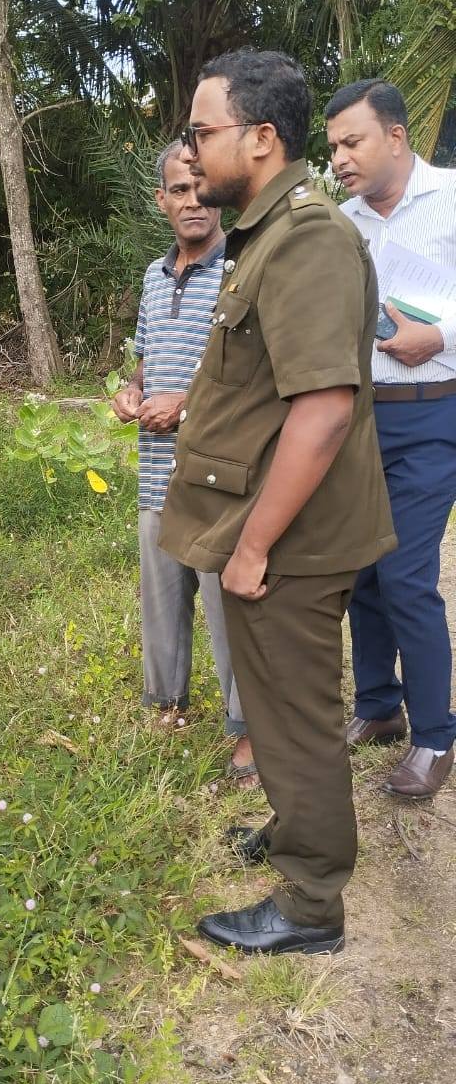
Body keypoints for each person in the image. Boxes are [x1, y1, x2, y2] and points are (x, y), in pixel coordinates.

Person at [159, 49, 396, 956]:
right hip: (268, 524)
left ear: (261, 138)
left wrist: (254, 545)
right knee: (271, 696)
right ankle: (296, 827)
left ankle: (310, 903)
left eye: (201, 131)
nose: (189, 151)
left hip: (291, 538)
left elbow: (324, 408)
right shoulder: (266, 233)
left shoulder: (306, 238)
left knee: (296, 716)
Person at [112, 141, 257, 786]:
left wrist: (187, 407)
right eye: (178, 190)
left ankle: (247, 726)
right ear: (161, 200)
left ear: (217, 193)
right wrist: (133, 392)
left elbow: (250, 374)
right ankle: (165, 704)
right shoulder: (153, 275)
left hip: (218, 472)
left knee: (227, 605)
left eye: (201, 188)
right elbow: (146, 360)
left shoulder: (241, 268)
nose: (192, 201)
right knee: (162, 597)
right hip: (155, 469)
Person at [326, 79, 456, 798]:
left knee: (406, 574)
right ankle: (379, 706)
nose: (339, 158)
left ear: (397, 137)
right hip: (357, 415)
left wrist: (441, 336)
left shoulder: (452, 198)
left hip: (433, 412)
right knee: (363, 570)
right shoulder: (341, 223)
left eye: (352, 142)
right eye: (333, 148)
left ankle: (435, 735)